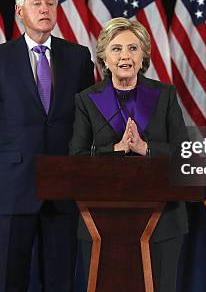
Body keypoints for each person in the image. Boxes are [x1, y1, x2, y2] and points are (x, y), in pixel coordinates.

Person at [0, 0, 94, 292]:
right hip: (13, 188)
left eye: (50, 4)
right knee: (12, 281)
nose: (45, 10)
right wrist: (0, 167)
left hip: (63, 188)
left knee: (61, 282)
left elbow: (88, 121)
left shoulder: (78, 57)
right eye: (36, 3)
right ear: (20, 11)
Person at [69, 17, 188, 292]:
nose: (125, 56)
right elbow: (75, 158)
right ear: (104, 56)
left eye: (133, 48)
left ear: (143, 54)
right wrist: (116, 149)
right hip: (99, 223)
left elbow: (185, 154)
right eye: (117, 49)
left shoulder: (165, 95)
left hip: (162, 222)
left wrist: (145, 148)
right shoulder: (86, 100)